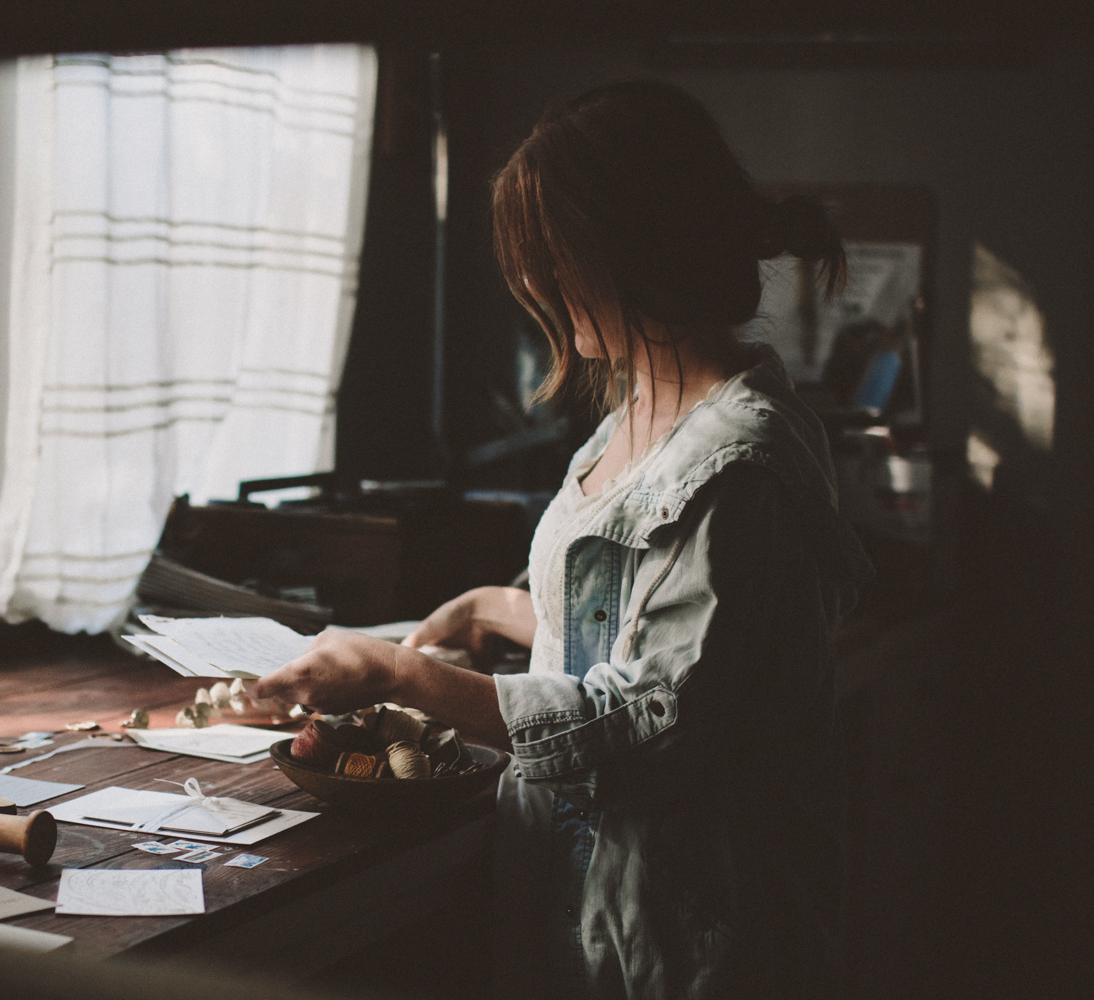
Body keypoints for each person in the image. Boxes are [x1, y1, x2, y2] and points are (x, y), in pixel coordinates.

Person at [255, 79, 871, 999]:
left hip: (687, 945)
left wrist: (397, 672)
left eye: (557, 262)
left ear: (636, 253)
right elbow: (632, 616)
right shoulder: (639, 411)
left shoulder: (736, 467)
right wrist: (492, 609)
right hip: (589, 911)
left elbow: (647, 721)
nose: (540, 288)